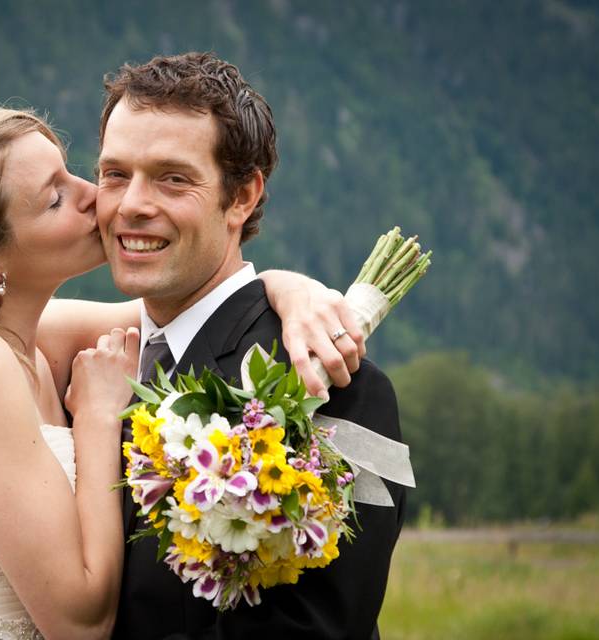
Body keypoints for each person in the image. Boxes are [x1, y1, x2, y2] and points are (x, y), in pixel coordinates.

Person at [0, 106, 365, 640]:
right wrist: (98, 419)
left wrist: (291, 287)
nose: (97, 196)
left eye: (72, 170)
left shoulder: (25, 336)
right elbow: (80, 622)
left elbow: (197, 308)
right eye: (55, 196)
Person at [98, 53, 406, 639]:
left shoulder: (336, 384)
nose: (131, 203)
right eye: (115, 173)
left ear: (241, 196)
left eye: (172, 177)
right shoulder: (88, 364)